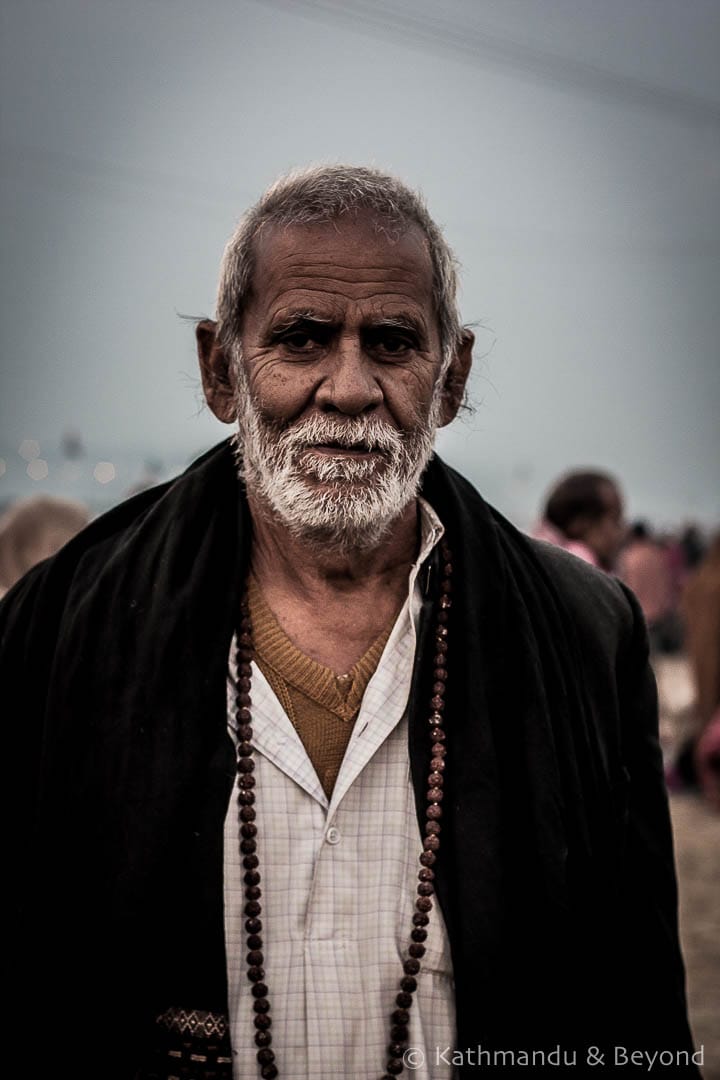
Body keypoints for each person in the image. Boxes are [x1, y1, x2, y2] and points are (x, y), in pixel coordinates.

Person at [2, 166, 698, 1078]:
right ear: (221, 370)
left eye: (393, 344)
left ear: (450, 380)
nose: (348, 387)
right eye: (301, 338)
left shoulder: (582, 635)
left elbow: (636, 1012)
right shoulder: (55, 631)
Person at [534, 469, 625, 571]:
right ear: (581, 524)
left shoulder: (537, 559)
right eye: (615, 519)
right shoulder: (580, 567)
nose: (622, 530)